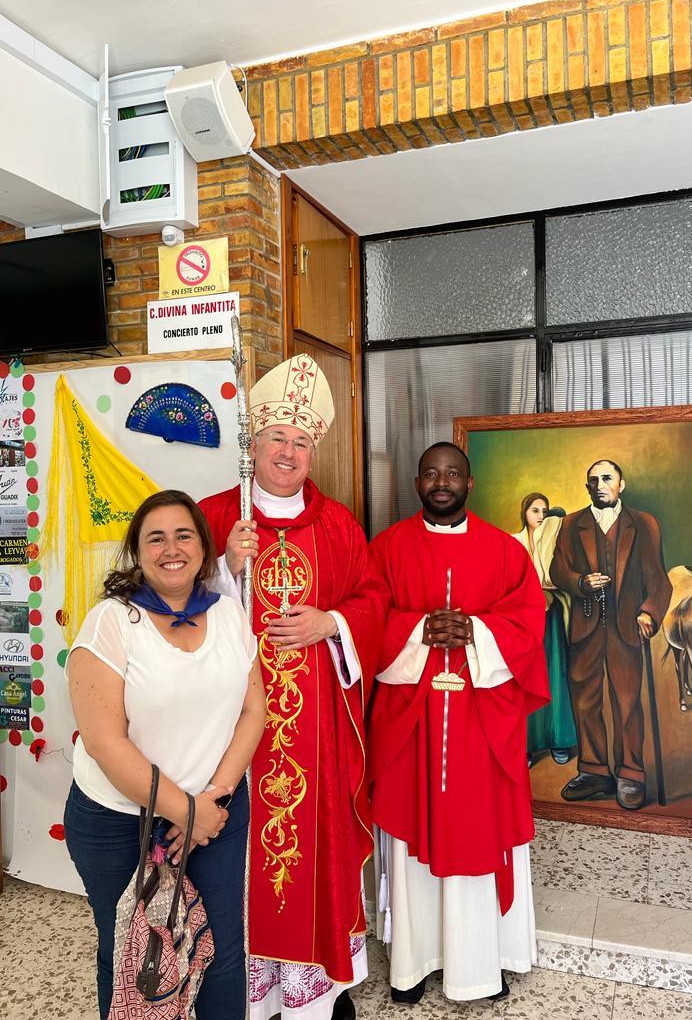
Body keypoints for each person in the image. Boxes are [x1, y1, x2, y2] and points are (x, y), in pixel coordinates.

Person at [199, 354, 389, 1020]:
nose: (288, 451)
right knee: (240, 861)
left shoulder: (338, 526)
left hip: (317, 736)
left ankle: (318, 991)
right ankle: (244, 996)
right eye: (277, 437)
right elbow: (167, 602)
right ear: (253, 445)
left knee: (313, 859)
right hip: (231, 732)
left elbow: (374, 599)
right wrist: (224, 567)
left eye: (301, 441)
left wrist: (330, 622)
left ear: (314, 451)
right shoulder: (215, 515)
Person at [64, 489, 266, 1020]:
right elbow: (107, 743)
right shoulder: (111, 623)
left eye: (184, 535)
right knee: (135, 956)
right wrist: (187, 810)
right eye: (155, 537)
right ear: (137, 550)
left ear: (203, 546)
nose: (171, 548)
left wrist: (213, 799)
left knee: (221, 951)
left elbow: (254, 710)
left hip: (216, 809)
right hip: (117, 820)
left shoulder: (227, 614)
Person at [366, 442, 549, 1004]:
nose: (441, 482)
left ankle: (481, 963)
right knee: (410, 834)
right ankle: (413, 963)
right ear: (416, 483)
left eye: (452, 473)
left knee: (479, 830)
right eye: (430, 473)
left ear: (469, 484)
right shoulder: (387, 548)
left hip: (480, 720)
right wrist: (418, 631)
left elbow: (527, 621)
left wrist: (477, 633)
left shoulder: (503, 551)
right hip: (412, 720)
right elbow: (365, 617)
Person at [550, 459, 672, 811]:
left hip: (627, 626)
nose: (599, 484)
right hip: (586, 626)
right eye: (593, 479)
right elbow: (559, 568)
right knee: (585, 700)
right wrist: (579, 583)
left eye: (607, 478)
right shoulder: (573, 523)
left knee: (627, 700)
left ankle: (631, 773)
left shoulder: (644, 524)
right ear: (587, 486)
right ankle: (593, 771)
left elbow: (659, 579)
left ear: (622, 484)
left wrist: (650, 612)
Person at [513, 493, 576, 767]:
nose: (540, 515)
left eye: (545, 510)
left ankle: (559, 741)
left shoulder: (557, 543)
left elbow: (564, 578)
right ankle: (526, 744)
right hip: (522, 621)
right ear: (524, 513)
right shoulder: (513, 543)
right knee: (523, 680)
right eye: (534, 509)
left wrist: (550, 594)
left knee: (555, 675)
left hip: (551, 620)